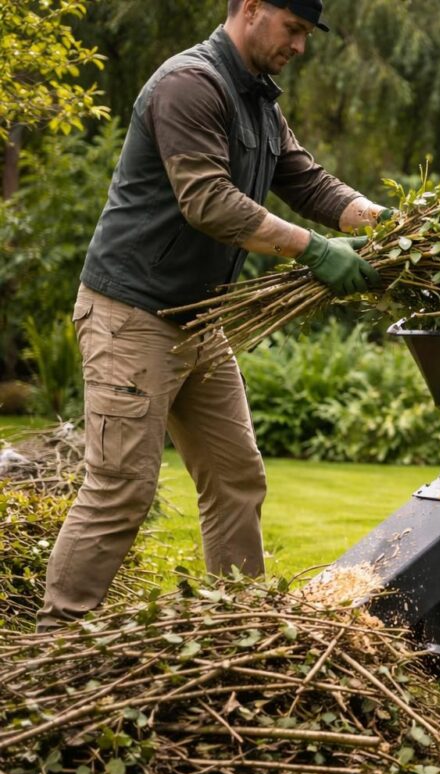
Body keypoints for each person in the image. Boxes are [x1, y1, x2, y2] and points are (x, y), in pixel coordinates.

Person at [37, 0, 389, 630]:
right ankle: (55, 637)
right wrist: (315, 251)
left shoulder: (258, 99)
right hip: (132, 314)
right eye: (295, 30)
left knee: (235, 477)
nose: (300, 47)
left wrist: (389, 227)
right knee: (121, 488)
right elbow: (209, 203)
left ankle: (239, 629)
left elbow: (309, 183)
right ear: (252, 8)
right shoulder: (189, 84)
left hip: (199, 321)